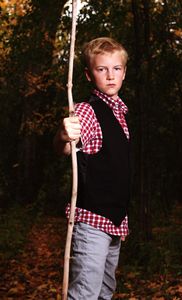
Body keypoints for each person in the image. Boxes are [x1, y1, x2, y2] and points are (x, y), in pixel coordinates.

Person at [54, 37, 131, 300]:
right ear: (89, 74)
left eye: (116, 68)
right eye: (101, 69)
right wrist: (65, 136)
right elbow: (67, 147)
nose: (110, 75)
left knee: (105, 292)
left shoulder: (121, 113)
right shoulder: (87, 111)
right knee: (85, 294)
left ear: (124, 72)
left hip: (115, 222)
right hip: (92, 221)